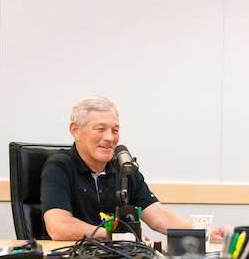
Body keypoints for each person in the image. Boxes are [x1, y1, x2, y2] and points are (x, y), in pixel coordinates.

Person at [41, 96, 232, 242]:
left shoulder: (124, 167)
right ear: (75, 131)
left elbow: (159, 216)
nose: (110, 138)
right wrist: (116, 237)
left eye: (115, 130)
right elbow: (59, 226)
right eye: (100, 129)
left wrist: (205, 234)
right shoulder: (59, 166)